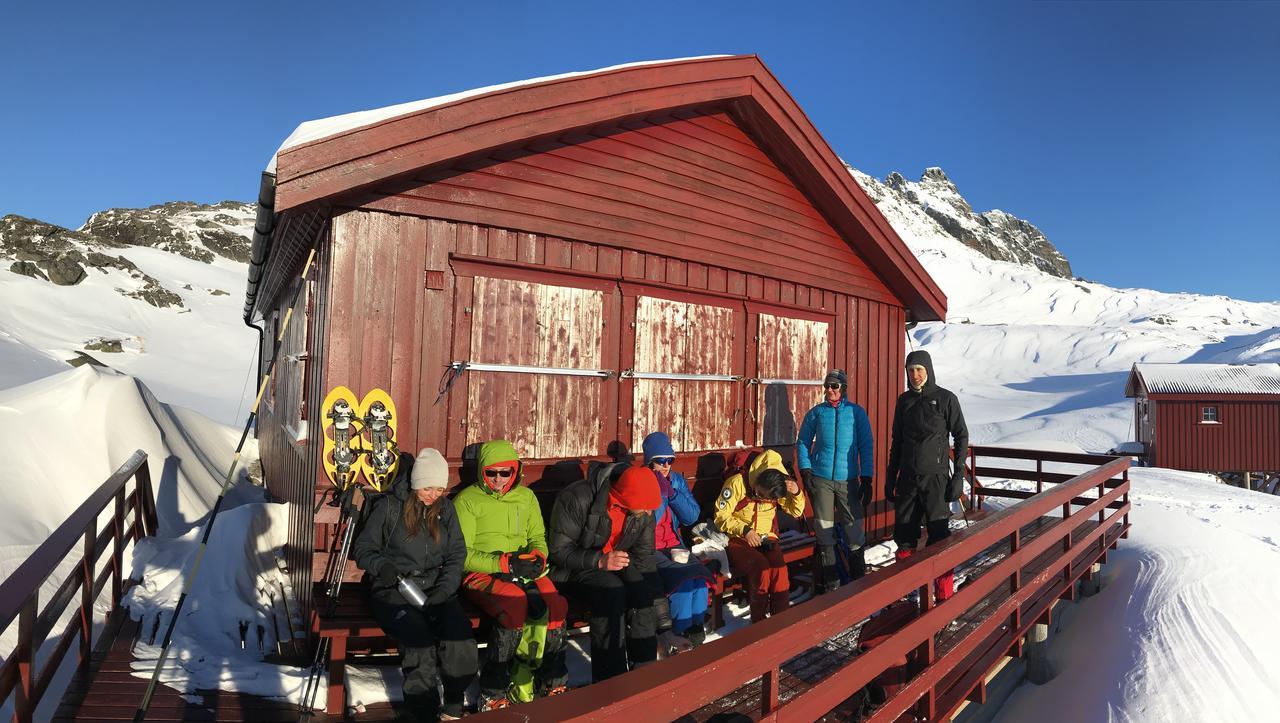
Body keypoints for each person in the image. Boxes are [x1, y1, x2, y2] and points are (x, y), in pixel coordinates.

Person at [352, 448, 478, 722]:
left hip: (435, 586)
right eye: (428, 488)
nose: (434, 495)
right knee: (419, 644)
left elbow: (457, 553)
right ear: (416, 482)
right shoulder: (389, 507)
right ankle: (422, 713)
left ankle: (453, 704)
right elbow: (363, 549)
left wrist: (444, 590)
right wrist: (383, 568)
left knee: (460, 638)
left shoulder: (445, 510)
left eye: (440, 489)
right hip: (394, 589)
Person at [453, 440, 569, 710]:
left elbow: (538, 537)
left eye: (505, 473)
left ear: (515, 472)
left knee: (556, 605)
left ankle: (552, 682)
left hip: (523, 568)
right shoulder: (468, 501)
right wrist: (504, 564)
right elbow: (463, 555)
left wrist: (538, 558)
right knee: (515, 604)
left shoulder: (525, 498)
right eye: (491, 473)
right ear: (482, 471)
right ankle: (493, 691)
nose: (498, 479)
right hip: (481, 573)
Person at [549, 461, 662, 682]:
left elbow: (645, 560)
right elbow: (558, 551)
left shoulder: (642, 513)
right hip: (572, 569)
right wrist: (599, 561)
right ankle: (611, 681)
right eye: (646, 506)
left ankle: (645, 675)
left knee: (641, 591)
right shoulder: (577, 498)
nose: (650, 511)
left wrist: (663, 621)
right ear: (627, 497)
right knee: (612, 593)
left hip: (613, 564)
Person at [885, 350, 969, 602]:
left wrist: (958, 477)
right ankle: (907, 592)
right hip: (908, 479)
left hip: (936, 479)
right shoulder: (904, 401)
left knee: (939, 537)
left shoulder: (945, 399)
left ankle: (943, 594)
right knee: (904, 537)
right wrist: (891, 477)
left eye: (919, 370)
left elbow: (961, 436)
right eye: (911, 370)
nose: (915, 375)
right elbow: (897, 441)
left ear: (929, 370)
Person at [797, 368, 875, 591]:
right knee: (824, 530)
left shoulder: (856, 413)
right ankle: (832, 585)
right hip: (821, 479)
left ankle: (858, 583)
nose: (830, 390)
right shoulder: (816, 413)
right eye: (827, 386)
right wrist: (806, 470)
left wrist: (867, 478)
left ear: (844, 388)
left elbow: (866, 446)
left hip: (848, 480)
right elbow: (803, 442)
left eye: (835, 386)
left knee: (853, 530)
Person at [713, 449, 806, 622]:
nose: (759, 498)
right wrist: (745, 530)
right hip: (738, 537)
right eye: (758, 493)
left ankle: (781, 620)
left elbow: (796, 511)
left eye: (765, 498)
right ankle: (759, 622)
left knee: (779, 570)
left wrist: (796, 493)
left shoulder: (779, 483)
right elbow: (720, 516)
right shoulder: (737, 483)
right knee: (760, 567)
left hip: (766, 537)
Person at [642, 431, 714, 651]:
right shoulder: (642, 481)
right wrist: (659, 493)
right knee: (682, 584)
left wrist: (672, 493)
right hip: (650, 548)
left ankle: (696, 633)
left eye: (669, 460)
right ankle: (680, 637)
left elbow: (691, 516)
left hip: (675, 545)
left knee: (699, 581)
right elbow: (646, 523)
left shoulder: (677, 481)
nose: (665, 466)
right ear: (649, 462)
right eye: (660, 461)